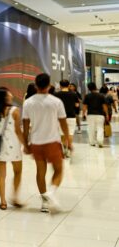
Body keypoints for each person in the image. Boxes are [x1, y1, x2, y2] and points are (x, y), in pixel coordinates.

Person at [22, 73, 72, 213]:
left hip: (36, 142)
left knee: (40, 172)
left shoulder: (28, 103)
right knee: (59, 170)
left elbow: (25, 126)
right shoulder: (56, 102)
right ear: (49, 85)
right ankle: (51, 193)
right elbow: (63, 123)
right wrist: (68, 140)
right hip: (52, 141)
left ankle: (44, 203)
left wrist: (26, 144)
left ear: (36, 85)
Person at [0, 88, 25, 209]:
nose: (11, 95)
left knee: (1, 174)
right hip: (13, 144)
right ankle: (15, 198)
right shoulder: (15, 110)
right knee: (18, 171)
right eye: (9, 93)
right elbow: (18, 131)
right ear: (5, 97)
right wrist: (25, 144)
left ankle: (3, 202)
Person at [54, 79, 79, 153]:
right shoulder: (74, 94)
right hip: (71, 116)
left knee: (62, 133)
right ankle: (68, 148)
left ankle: (64, 147)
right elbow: (77, 105)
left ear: (60, 86)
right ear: (68, 85)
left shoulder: (56, 94)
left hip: (60, 117)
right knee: (70, 133)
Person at [83, 82, 108, 148]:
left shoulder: (87, 96)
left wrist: (83, 114)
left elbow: (85, 106)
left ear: (88, 88)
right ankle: (100, 141)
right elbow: (104, 106)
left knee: (91, 128)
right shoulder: (101, 95)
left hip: (90, 114)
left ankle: (92, 142)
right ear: (95, 87)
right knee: (100, 128)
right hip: (100, 114)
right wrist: (107, 114)